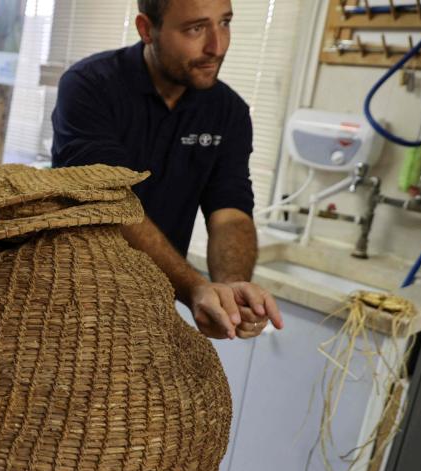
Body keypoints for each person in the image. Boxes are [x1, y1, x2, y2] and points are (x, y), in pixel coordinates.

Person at [51, 0, 283, 340]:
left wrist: (231, 287)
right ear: (147, 29)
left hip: (148, 311)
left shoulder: (228, 112)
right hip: (64, 300)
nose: (216, 46)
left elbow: (230, 212)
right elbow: (111, 204)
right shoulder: (90, 87)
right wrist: (193, 288)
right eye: (195, 29)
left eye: (225, 23)